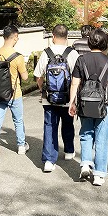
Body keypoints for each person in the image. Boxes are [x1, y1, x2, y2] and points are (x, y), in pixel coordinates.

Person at [68, 28, 108, 186]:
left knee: (86, 134)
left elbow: (74, 83)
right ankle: (98, 175)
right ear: (105, 43)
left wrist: (72, 102)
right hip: (104, 104)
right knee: (102, 139)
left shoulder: (81, 60)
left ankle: (85, 163)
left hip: (84, 103)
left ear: (89, 42)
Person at [34, 24, 79, 172]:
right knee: (68, 124)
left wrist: (43, 91)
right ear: (67, 37)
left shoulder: (46, 53)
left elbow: (38, 76)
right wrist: (74, 99)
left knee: (49, 126)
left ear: (53, 36)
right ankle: (69, 151)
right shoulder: (72, 53)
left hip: (50, 98)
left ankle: (48, 160)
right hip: (67, 99)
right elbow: (77, 79)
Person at [0, 25, 29, 165]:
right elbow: (26, 77)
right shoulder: (18, 57)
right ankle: (21, 146)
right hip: (14, 94)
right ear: (15, 37)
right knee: (18, 120)